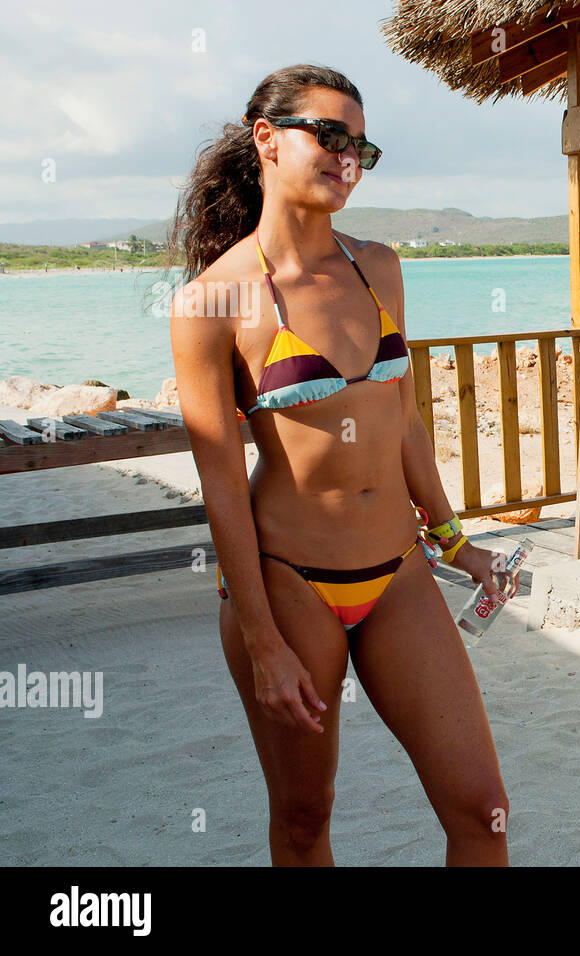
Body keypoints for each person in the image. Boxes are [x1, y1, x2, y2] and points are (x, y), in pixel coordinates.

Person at [167, 65, 510, 865]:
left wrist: (458, 543)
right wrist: (261, 641)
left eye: (360, 146)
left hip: (398, 573)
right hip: (290, 585)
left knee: (482, 808)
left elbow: (407, 423)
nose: (346, 157)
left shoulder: (378, 266)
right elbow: (220, 483)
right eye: (328, 136)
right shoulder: (211, 303)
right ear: (266, 137)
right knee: (303, 821)